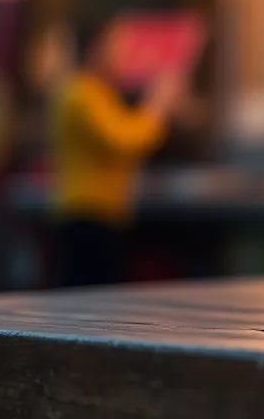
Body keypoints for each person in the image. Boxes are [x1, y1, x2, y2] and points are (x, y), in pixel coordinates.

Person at [50, 18, 186, 286]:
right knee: (87, 298)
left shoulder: (100, 93)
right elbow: (123, 140)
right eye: (116, 45)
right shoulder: (81, 93)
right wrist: (158, 104)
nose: (124, 54)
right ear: (93, 49)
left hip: (105, 213)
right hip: (87, 212)